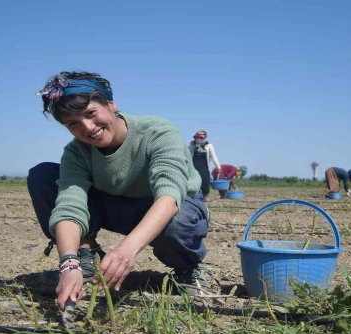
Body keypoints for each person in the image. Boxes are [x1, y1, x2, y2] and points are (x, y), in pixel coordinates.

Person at [27, 71, 211, 310]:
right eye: (73, 123)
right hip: (116, 205)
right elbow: (69, 206)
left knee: (179, 222)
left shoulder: (157, 132)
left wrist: (126, 250)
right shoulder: (76, 152)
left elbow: (169, 195)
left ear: (111, 104)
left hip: (169, 205)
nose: (88, 128)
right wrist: (68, 263)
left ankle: (187, 269)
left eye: (91, 114)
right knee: (44, 175)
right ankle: (87, 257)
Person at [188, 130, 221, 202]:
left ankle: (205, 196)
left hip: (204, 167)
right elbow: (188, 157)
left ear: (204, 138)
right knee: (194, 181)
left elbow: (214, 157)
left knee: (205, 182)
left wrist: (218, 167)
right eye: (197, 138)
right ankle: (193, 197)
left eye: (200, 138)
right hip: (194, 167)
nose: (198, 140)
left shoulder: (209, 146)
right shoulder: (192, 146)